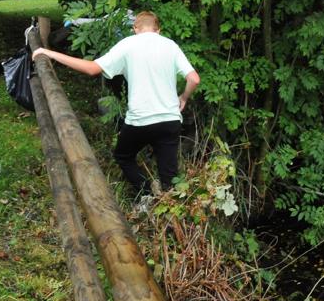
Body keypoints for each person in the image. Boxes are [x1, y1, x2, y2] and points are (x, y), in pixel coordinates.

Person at [32, 11, 200, 198]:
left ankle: (146, 194)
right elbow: (194, 79)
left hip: (140, 121)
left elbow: (91, 69)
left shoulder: (128, 44)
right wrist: (183, 98)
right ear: (158, 29)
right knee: (170, 178)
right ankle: (170, 213)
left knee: (123, 156)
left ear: (135, 28)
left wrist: (50, 53)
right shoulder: (171, 45)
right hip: (170, 119)